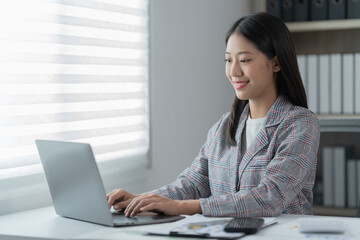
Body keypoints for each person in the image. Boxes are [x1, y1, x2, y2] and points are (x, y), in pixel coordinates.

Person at [107, 12, 320, 218]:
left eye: (244, 60)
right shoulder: (224, 126)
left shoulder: (300, 124)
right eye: (228, 60)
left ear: (276, 63)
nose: (234, 71)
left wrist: (185, 207)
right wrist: (141, 200)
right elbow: (193, 183)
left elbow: (271, 197)